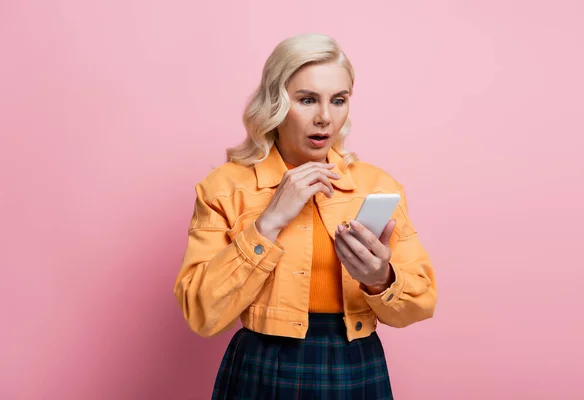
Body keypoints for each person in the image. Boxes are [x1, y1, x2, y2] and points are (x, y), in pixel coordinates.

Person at [174, 33, 437, 400]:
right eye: (307, 99)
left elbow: (421, 303)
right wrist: (268, 223)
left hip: (355, 363)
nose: (325, 118)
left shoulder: (377, 186)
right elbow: (201, 313)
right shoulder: (224, 187)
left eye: (338, 100)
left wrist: (380, 279)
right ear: (275, 104)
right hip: (262, 366)